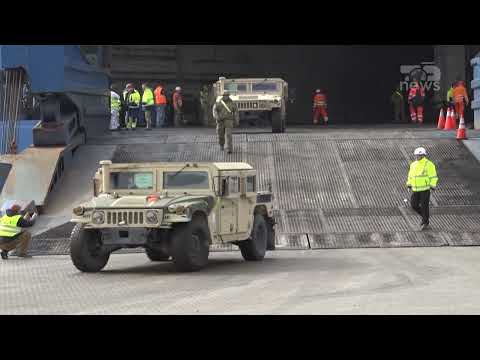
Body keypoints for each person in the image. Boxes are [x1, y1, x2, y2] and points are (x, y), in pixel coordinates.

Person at [406, 147, 438, 231]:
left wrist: (432, 186)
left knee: (424, 206)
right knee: (414, 205)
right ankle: (425, 217)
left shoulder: (429, 164)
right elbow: (410, 176)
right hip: (415, 189)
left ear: (423, 155)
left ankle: (425, 221)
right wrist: (409, 185)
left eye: (419, 155)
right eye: (416, 155)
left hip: (425, 189)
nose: (417, 156)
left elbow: (433, 176)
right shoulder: (413, 164)